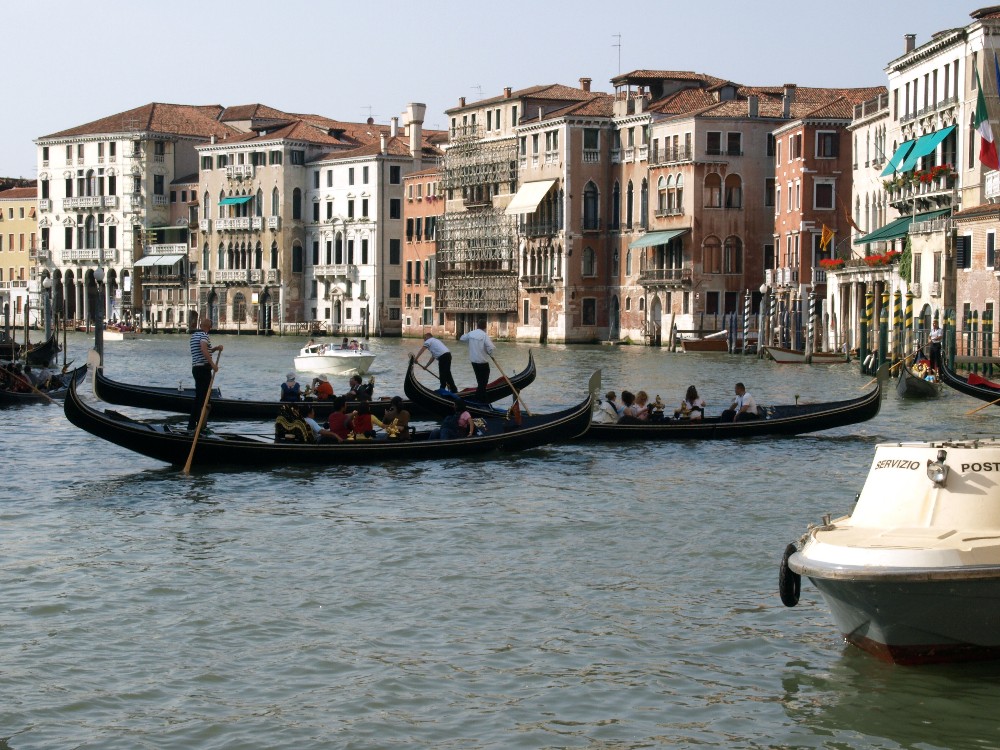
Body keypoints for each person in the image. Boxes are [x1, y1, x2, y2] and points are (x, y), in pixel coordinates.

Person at [188, 317, 222, 431]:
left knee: (199, 398)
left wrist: (215, 349)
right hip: (203, 369)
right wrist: (212, 364)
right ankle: (199, 427)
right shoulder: (204, 335)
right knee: (204, 400)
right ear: (208, 327)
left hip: (196, 369)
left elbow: (204, 349)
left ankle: (193, 425)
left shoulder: (194, 336)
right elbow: (203, 349)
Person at [460, 318, 496, 402]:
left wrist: (470, 341)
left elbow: (462, 338)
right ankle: (479, 399)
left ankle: (482, 398)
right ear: (485, 327)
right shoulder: (484, 335)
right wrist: (490, 354)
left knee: (480, 382)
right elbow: (490, 348)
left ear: (477, 326)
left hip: (474, 362)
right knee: (483, 383)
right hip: (482, 363)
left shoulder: (471, 333)